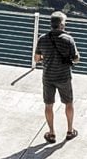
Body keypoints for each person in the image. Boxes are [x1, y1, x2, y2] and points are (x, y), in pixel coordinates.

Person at [33, 12, 79, 144]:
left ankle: (51, 133)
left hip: (48, 77)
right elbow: (76, 58)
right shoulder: (68, 39)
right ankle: (70, 131)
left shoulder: (42, 39)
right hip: (64, 76)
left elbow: (37, 59)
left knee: (48, 105)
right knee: (68, 103)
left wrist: (46, 58)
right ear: (62, 25)